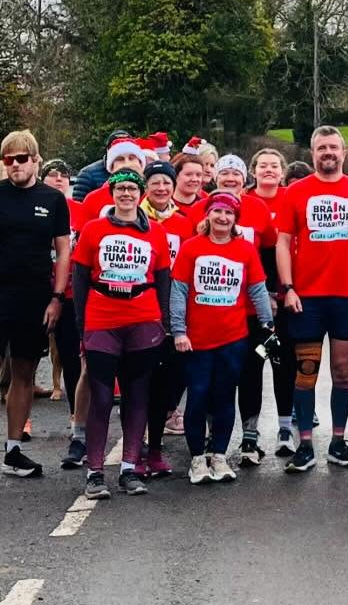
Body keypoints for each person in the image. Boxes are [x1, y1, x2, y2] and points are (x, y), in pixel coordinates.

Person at [0, 130, 72, 486]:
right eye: (8, 160)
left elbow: (63, 251)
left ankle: (12, 449)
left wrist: (56, 296)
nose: (15, 165)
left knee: (24, 371)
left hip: (35, 296)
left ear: (36, 160)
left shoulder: (53, 199)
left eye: (21, 158)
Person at [274, 125, 348, 472]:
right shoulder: (295, 193)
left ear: (343, 153)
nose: (328, 153)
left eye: (333, 147)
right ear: (312, 154)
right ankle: (304, 445)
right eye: (321, 148)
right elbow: (283, 242)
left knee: (343, 371)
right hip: (307, 299)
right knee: (306, 371)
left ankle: (338, 442)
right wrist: (287, 288)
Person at [71, 169, 171, 499]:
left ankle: (129, 468)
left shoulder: (155, 232)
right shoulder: (93, 229)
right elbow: (81, 279)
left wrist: (166, 322)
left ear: (141, 194)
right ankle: (95, 471)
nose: (126, 193)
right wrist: (81, 326)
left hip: (143, 316)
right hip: (102, 316)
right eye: (120, 188)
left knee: (137, 394)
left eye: (132, 188)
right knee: (101, 396)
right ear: (111, 192)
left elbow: (163, 281)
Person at [172, 190, 274, 484]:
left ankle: (219, 456)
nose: (223, 217)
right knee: (198, 396)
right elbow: (179, 292)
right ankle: (196, 459)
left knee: (225, 397)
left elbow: (257, 289)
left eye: (229, 213)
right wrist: (179, 330)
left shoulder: (245, 250)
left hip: (233, 338)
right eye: (217, 211)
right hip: (197, 340)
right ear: (208, 215)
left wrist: (268, 324)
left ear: (235, 219)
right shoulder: (192, 248)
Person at [212, 155, 278, 465]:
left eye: (235, 174)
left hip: (250, 308)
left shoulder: (257, 208)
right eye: (224, 173)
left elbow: (268, 255)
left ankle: (250, 436)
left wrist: (272, 294)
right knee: (217, 374)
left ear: (243, 179)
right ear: (216, 177)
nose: (230, 178)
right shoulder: (207, 206)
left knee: (253, 370)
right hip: (214, 309)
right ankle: (215, 436)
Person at [139, 159, 192, 475]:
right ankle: (138, 447)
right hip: (139, 310)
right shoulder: (133, 217)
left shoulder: (183, 223)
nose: (161, 188)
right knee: (139, 383)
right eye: (155, 182)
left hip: (173, 312)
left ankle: (155, 447)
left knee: (167, 382)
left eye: (166, 183)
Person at [249, 147, 300, 451]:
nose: (268, 170)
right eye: (263, 165)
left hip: (285, 297)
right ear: (253, 171)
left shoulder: (291, 199)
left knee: (284, 360)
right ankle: (250, 433)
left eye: (274, 166)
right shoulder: (243, 201)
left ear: (282, 172)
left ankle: (285, 428)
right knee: (254, 362)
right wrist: (264, 293)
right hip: (251, 301)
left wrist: (282, 290)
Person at [42, 159, 88, 465]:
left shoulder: (82, 211)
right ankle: (15, 437)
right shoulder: (34, 205)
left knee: (73, 361)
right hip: (34, 292)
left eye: (63, 176)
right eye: (52, 176)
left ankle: (78, 429)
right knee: (25, 360)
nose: (58, 180)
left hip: (71, 295)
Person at [79, 136, 149, 219]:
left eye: (131, 158)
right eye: (120, 159)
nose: (127, 163)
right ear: (111, 167)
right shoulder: (93, 199)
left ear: (141, 164)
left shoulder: (152, 196)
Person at [72, 128, 131, 203]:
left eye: (126, 147)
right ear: (108, 150)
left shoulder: (139, 173)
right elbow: (78, 208)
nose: (121, 151)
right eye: (116, 148)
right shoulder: (87, 174)